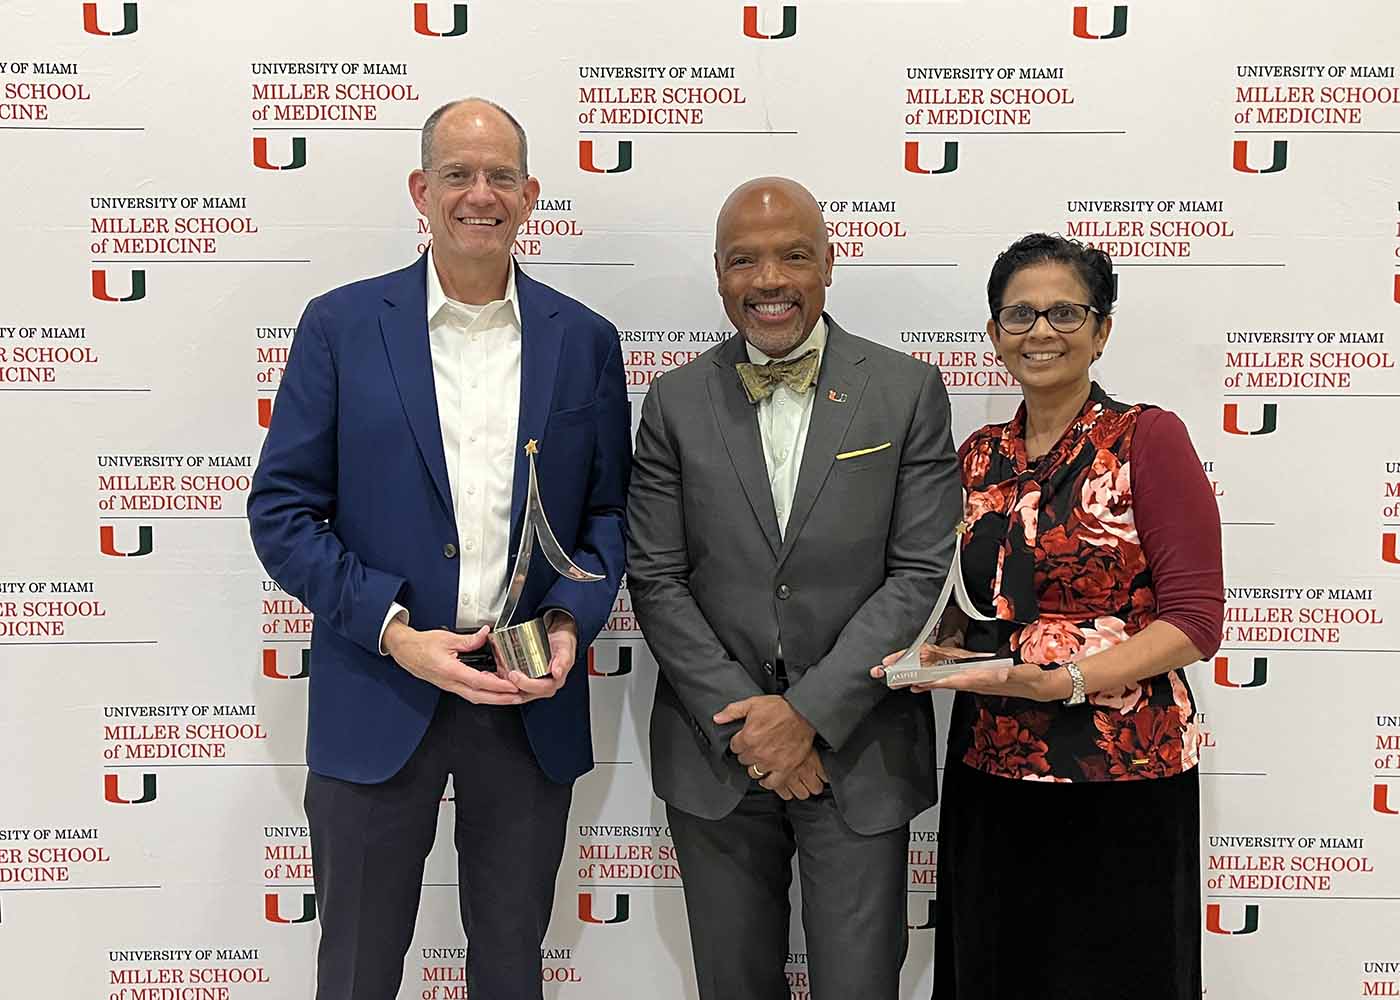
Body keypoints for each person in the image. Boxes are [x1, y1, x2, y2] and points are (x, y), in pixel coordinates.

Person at [247, 98, 630, 1000]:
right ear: (421, 191)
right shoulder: (340, 327)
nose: (480, 194)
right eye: (457, 174)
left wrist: (572, 624)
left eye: (500, 175)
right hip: (380, 690)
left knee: (510, 968)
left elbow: (608, 515)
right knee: (355, 970)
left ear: (531, 194)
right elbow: (283, 511)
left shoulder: (584, 340)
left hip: (525, 697)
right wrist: (391, 630)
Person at [626, 177, 961, 999]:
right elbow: (657, 578)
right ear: (718, 274)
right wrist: (753, 729)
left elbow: (918, 574)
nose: (768, 279)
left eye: (793, 256)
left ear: (830, 265)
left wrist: (805, 717)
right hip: (718, 752)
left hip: (860, 748)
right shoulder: (673, 402)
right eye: (744, 260)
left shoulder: (906, 391)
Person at [876, 233, 1224, 1000]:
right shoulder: (976, 457)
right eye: (1020, 314)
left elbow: (1195, 622)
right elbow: (968, 607)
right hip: (993, 768)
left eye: (1065, 312)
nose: (1041, 331)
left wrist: (1069, 681)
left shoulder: (1147, 439)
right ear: (995, 336)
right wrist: (942, 652)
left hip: (1122, 775)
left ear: (1101, 331)